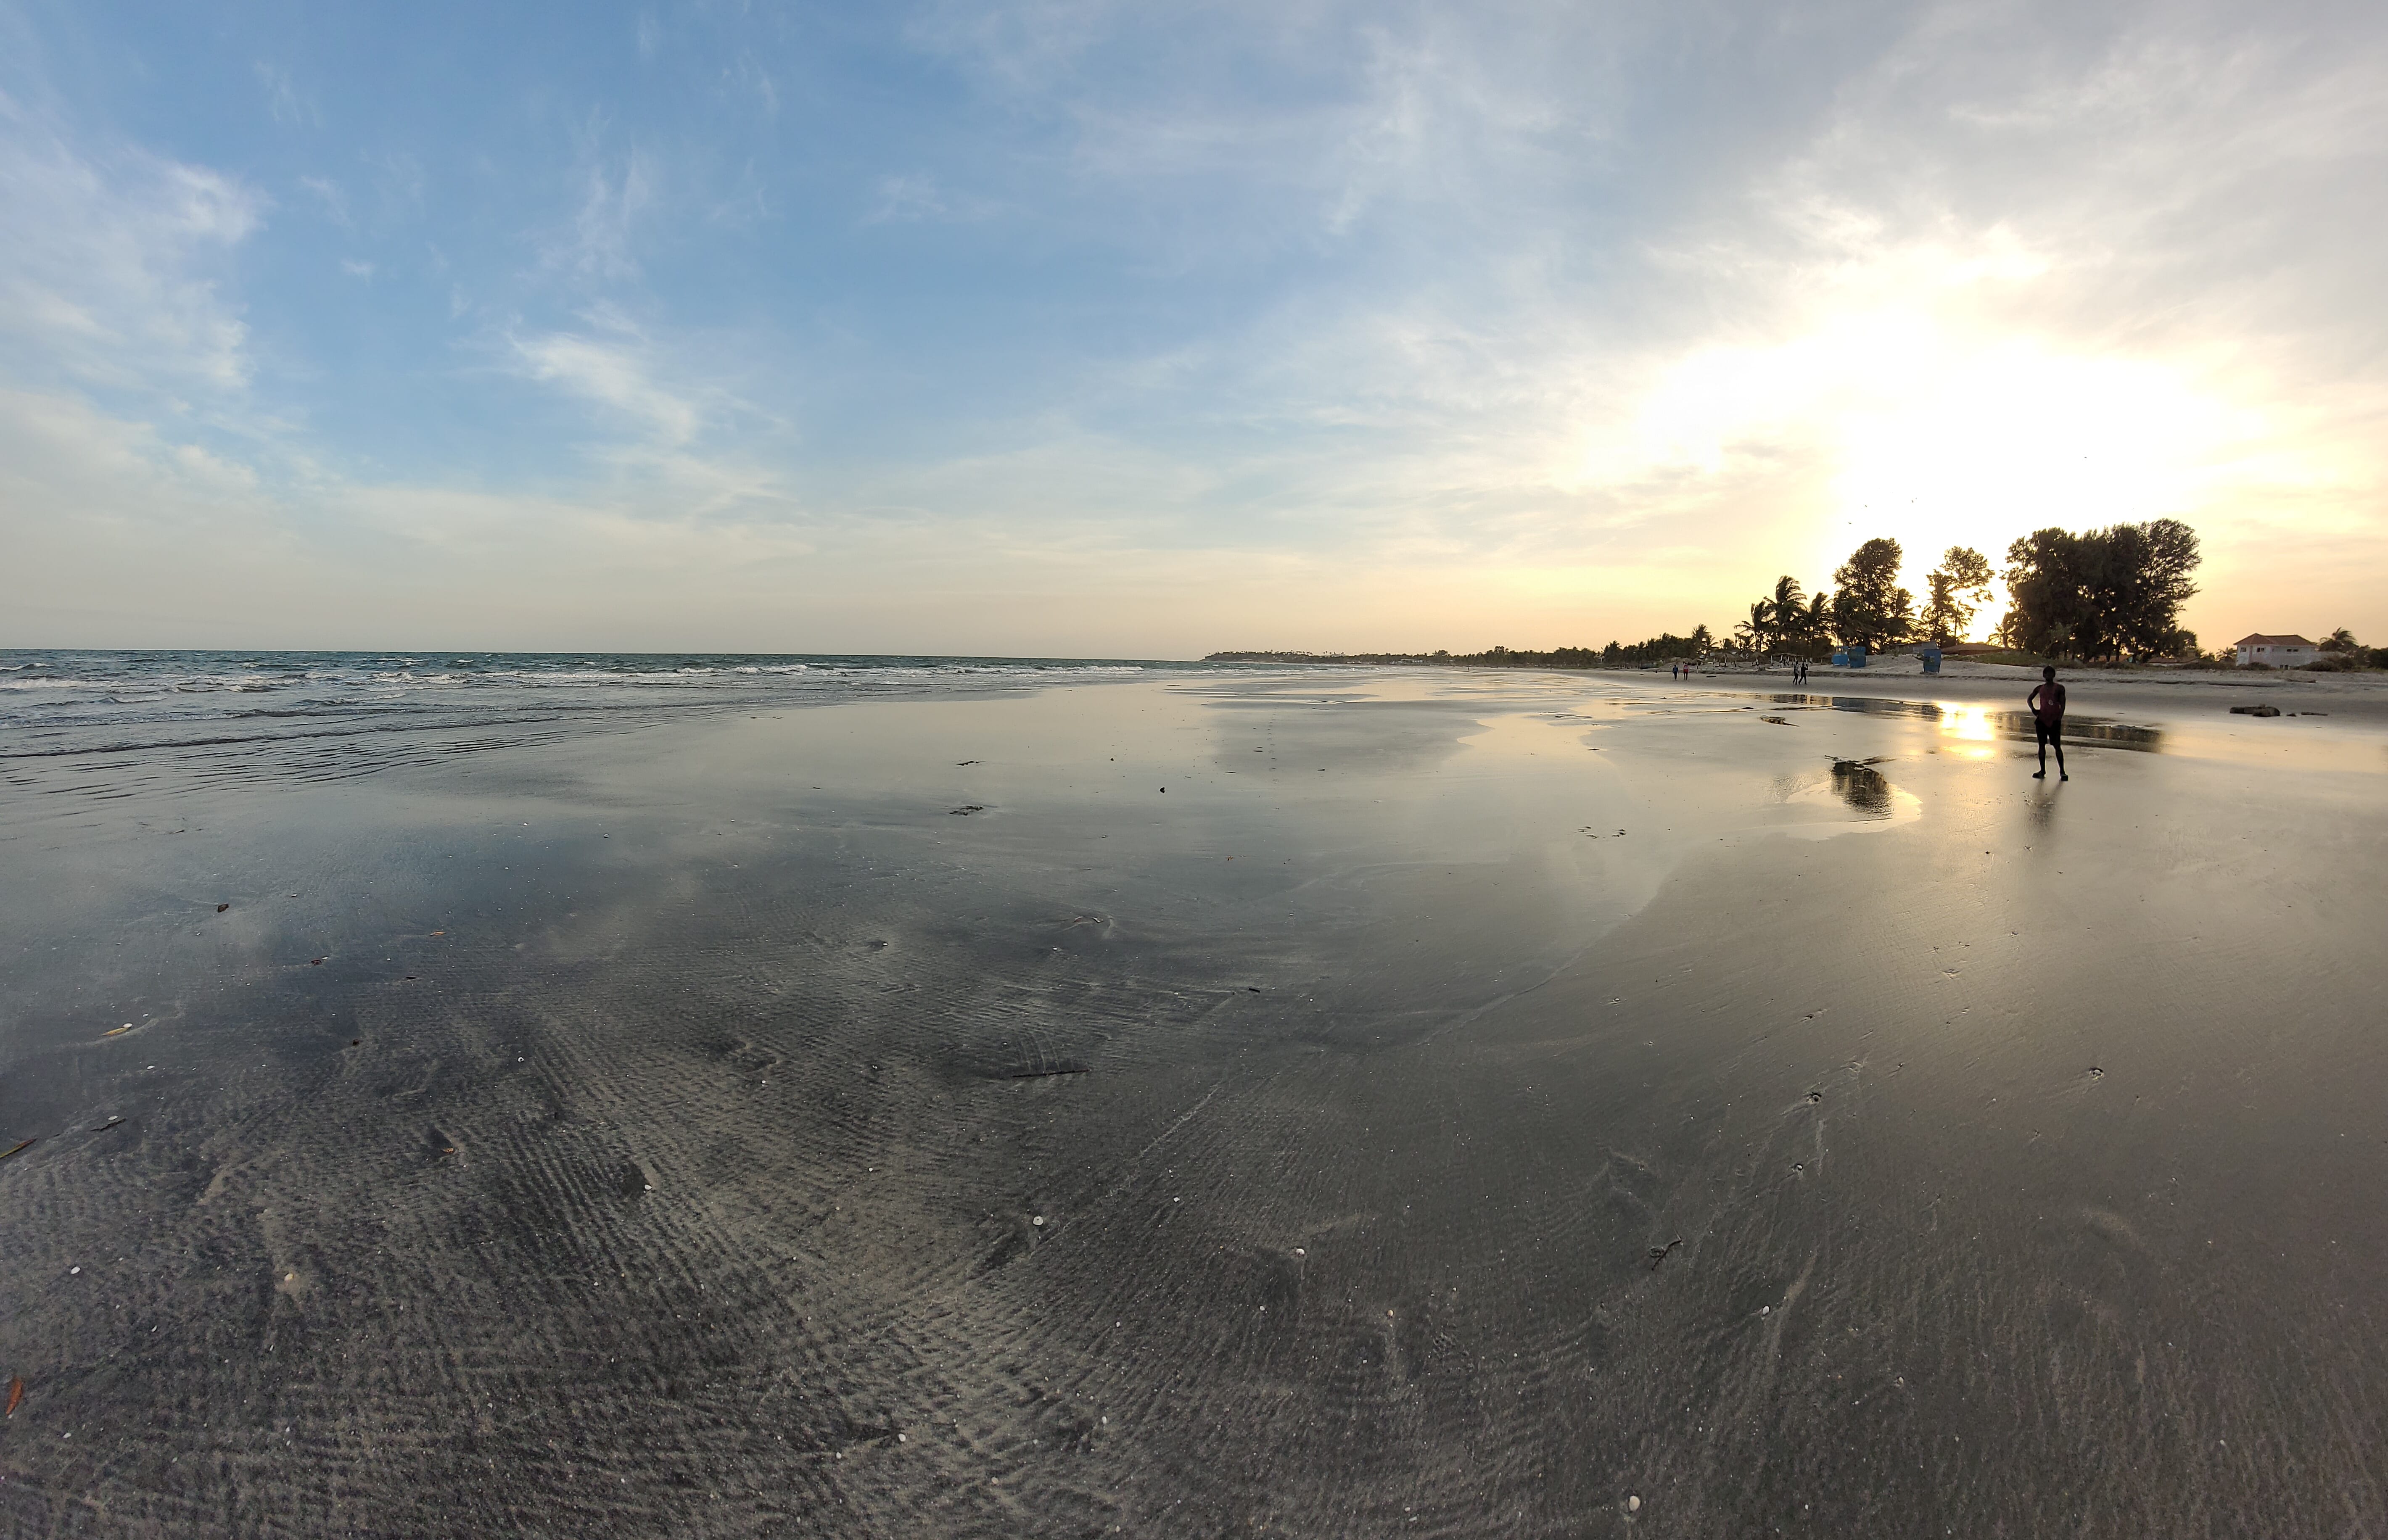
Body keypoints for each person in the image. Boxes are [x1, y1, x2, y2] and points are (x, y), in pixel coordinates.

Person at [2028, 666, 2068, 780]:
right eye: (2046, 674)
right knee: (2041, 746)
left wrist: (2060, 717)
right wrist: (2034, 710)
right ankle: (2042, 771)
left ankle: (2063, 772)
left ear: (2054, 675)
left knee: (2057, 747)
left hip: (2054, 720)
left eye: (2050, 674)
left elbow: (2063, 704)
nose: (2048, 676)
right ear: (2044, 675)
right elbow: (2029, 699)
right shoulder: (2040, 688)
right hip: (2042, 720)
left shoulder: (2060, 688)